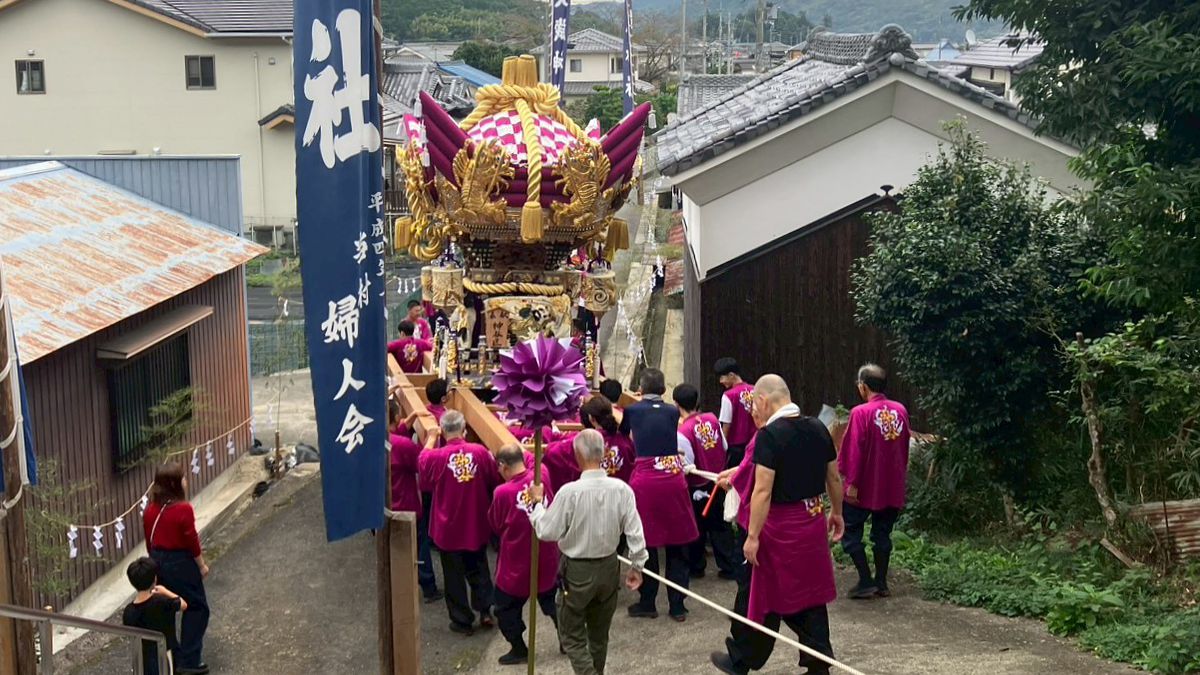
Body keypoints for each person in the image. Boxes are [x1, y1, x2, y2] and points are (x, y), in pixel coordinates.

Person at [711, 375, 845, 675]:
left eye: (754, 407)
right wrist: (837, 512)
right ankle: (818, 662)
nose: (754, 413)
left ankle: (741, 660)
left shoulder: (770, 435)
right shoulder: (817, 427)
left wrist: (753, 536)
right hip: (811, 523)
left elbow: (762, 490)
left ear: (762, 400)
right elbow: (834, 477)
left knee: (760, 594)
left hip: (779, 527)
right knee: (810, 595)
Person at [527, 429, 648, 675]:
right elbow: (635, 532)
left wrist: (537, 504)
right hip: (608, 566)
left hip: (578, 569)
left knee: (572, 635)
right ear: (603, 453)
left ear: (577, 455)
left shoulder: (569, 492)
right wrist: (637, 566)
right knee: (599, 634)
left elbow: (546, 531)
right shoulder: (621, 489)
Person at [620, 368, 699, 621]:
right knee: (677, 544)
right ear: (664, 390)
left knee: (647, 543)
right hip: (672, 476)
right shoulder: (673, 411)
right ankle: (678, 605)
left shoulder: (631, 411)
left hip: (645, 479)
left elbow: (624, 435)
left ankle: (647, 601)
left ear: (640, 390)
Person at [418, 410, 501, 634]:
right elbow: (494, 478)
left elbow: (422, 461)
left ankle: (462, 619)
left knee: (453, 575)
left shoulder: (436, 456)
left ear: (444, 431)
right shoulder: (480, 452)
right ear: (464, 429)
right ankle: (485, 609)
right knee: (479, 566)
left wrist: (432, 437)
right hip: (475, 520)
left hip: (448, 526)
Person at [838, 363, 910, 599]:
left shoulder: (861, 412)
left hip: (865, 485)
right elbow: (904, 447)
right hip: (891, 484)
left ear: (863, 386)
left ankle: (866, 580)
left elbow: (855, 450)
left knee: (850, 532)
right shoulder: (900, 410)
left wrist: (851, 482)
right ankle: (881, 583)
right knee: (882, 534)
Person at [489, 445, 561, 665]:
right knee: (554, 602)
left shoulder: (502, 492)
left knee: (505, 609)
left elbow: (495, 523)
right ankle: (567, 639)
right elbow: (532, 459)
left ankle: (519, 648)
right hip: (546, 554)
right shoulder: (543, 476)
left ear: (502, 466)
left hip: (516, 561)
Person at [143, 464, 210, 675]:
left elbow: (148, 540)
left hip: (157, 560)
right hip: (181, 561)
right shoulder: (183, 509)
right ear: (174, 483)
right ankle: (189, 662)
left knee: (166, 608)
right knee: (196, 607)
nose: (185, 481)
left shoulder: (150, 509)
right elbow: (191, 540)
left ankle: (173, 657)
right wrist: (201, 565)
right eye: (183, 478)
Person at [674, 383, 740, 580]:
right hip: (719, 480)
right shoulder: (712, 419)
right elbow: (725, 445)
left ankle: (697, 566)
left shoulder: (683, 431)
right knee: (721, 525)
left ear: (677, 404)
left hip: (697, 485)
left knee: (697, 528)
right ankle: (729, 566)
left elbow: (688, 464)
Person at [389, 400, 442, 603]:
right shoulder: (402, 445)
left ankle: (395, 586)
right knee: (419, 547)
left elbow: (397, 433)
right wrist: (431, 439)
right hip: (406, 503)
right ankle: (428, 586)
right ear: (395, 417)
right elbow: (422, 464)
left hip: (384, 505)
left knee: (390, 548)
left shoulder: (374, 439)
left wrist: (409, 420)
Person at [123, 556, 187, 675]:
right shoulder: (162, 602)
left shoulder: (129, 611)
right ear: (155, 579)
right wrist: (164, 591)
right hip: (166, 652)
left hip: (143, 657)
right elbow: (183, 604)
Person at [715, 358, 756, 468]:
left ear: (731, 375)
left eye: (722, 377)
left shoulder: (728, 395)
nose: (721, 381)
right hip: (755, 444)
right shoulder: (755, 390)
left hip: (736, 448)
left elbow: (726, 425)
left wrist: (722, 449)